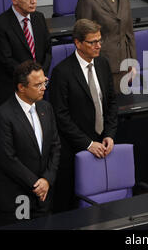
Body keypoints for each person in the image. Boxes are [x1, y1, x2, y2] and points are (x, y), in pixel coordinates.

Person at [49, 19, 118, 213]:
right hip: (74, 148)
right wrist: (87, 143)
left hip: (103, 144)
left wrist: (110, 134)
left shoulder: (103, 64)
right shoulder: (62, 72)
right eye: (92, 42)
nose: (98, 46)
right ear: (78, 43)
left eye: (99, 41)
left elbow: (111, 103)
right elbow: (61, 116)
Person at [0, 60, 61, 228]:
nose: (44, 88)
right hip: (16, 198)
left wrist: (47, 180)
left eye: (45, 82)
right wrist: (37, 184)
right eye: (38, 85)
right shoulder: (3, 116)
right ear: (21, 87)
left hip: (43, 195)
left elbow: (55, 146)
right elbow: (8, 159)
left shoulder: (46, 108)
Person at [75, 0, 136, 93]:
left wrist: (132, 62)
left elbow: (129, 31)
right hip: (101, 63)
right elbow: (83, 36)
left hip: (124, 63)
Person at [0, 0, 52, 109]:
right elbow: (6, 60)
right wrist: (30, 79)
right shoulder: (0, 24)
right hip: (12, 91)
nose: (33, 1)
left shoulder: (39, 18)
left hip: (37, 89)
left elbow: (47, 52)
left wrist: (39, 77)